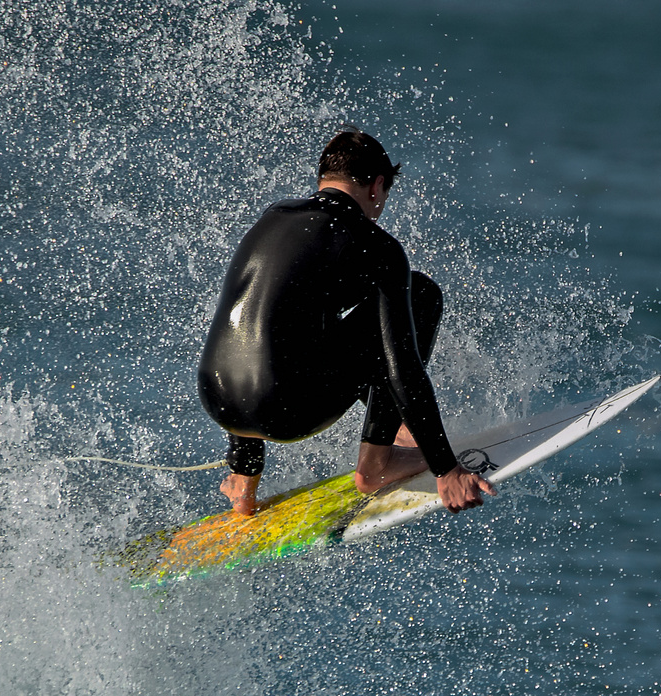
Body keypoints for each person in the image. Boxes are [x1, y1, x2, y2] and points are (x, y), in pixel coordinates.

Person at [198, 129, 495, 517]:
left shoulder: (275, 218)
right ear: (376, 186)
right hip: (287, 412)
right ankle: (377, 464)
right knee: (421, 294)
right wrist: (446, 469)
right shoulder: (376, 246)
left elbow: (253, 327)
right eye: (384, 195)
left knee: (264, 325)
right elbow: (401, 367)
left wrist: (244, 459)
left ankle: (243, 479)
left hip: (219, 399)